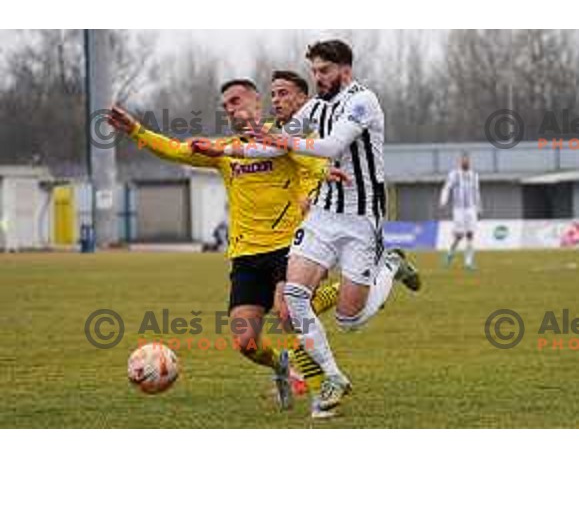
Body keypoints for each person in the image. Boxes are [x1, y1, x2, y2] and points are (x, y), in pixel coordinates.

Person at [107, 79, 343, 413]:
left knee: (289, 314)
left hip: (288, 247)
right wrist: (135, 130)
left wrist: (312, 192)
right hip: (246, 256)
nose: (230, 108)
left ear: (257, 101)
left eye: (236, 100)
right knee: (246, 343)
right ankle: (282, 367)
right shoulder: (224, 151)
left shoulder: (283, 139)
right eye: (226, 105)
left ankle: (324, 394)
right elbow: (176, 150)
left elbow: (315, 163)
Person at [232, 40, 422, 414]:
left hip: (361, 218)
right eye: (314, 71)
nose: (317, 78)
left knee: (349, 319)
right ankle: (334, 376)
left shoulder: (363, 101)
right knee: (294, 298)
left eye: (324, 71)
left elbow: (332, 146)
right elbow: (277, 149)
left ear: (344, 70)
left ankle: (391, 265)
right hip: (322, 214)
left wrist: (281, 137)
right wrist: (224, 150)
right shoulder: (316, 107)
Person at [439, 153, 481, 270]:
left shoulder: (474, 175)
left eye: (467, 160)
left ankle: (468, 262)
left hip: (471, 209)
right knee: (459, 235)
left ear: (469, 162)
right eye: (463, 160)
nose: (465, 162)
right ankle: (449, 254)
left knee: (470, 234)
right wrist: (443, 201)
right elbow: (447, 188)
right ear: (460, 162)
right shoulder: (454, 175)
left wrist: (479, 207)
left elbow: (476, 192)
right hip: (458, 209)